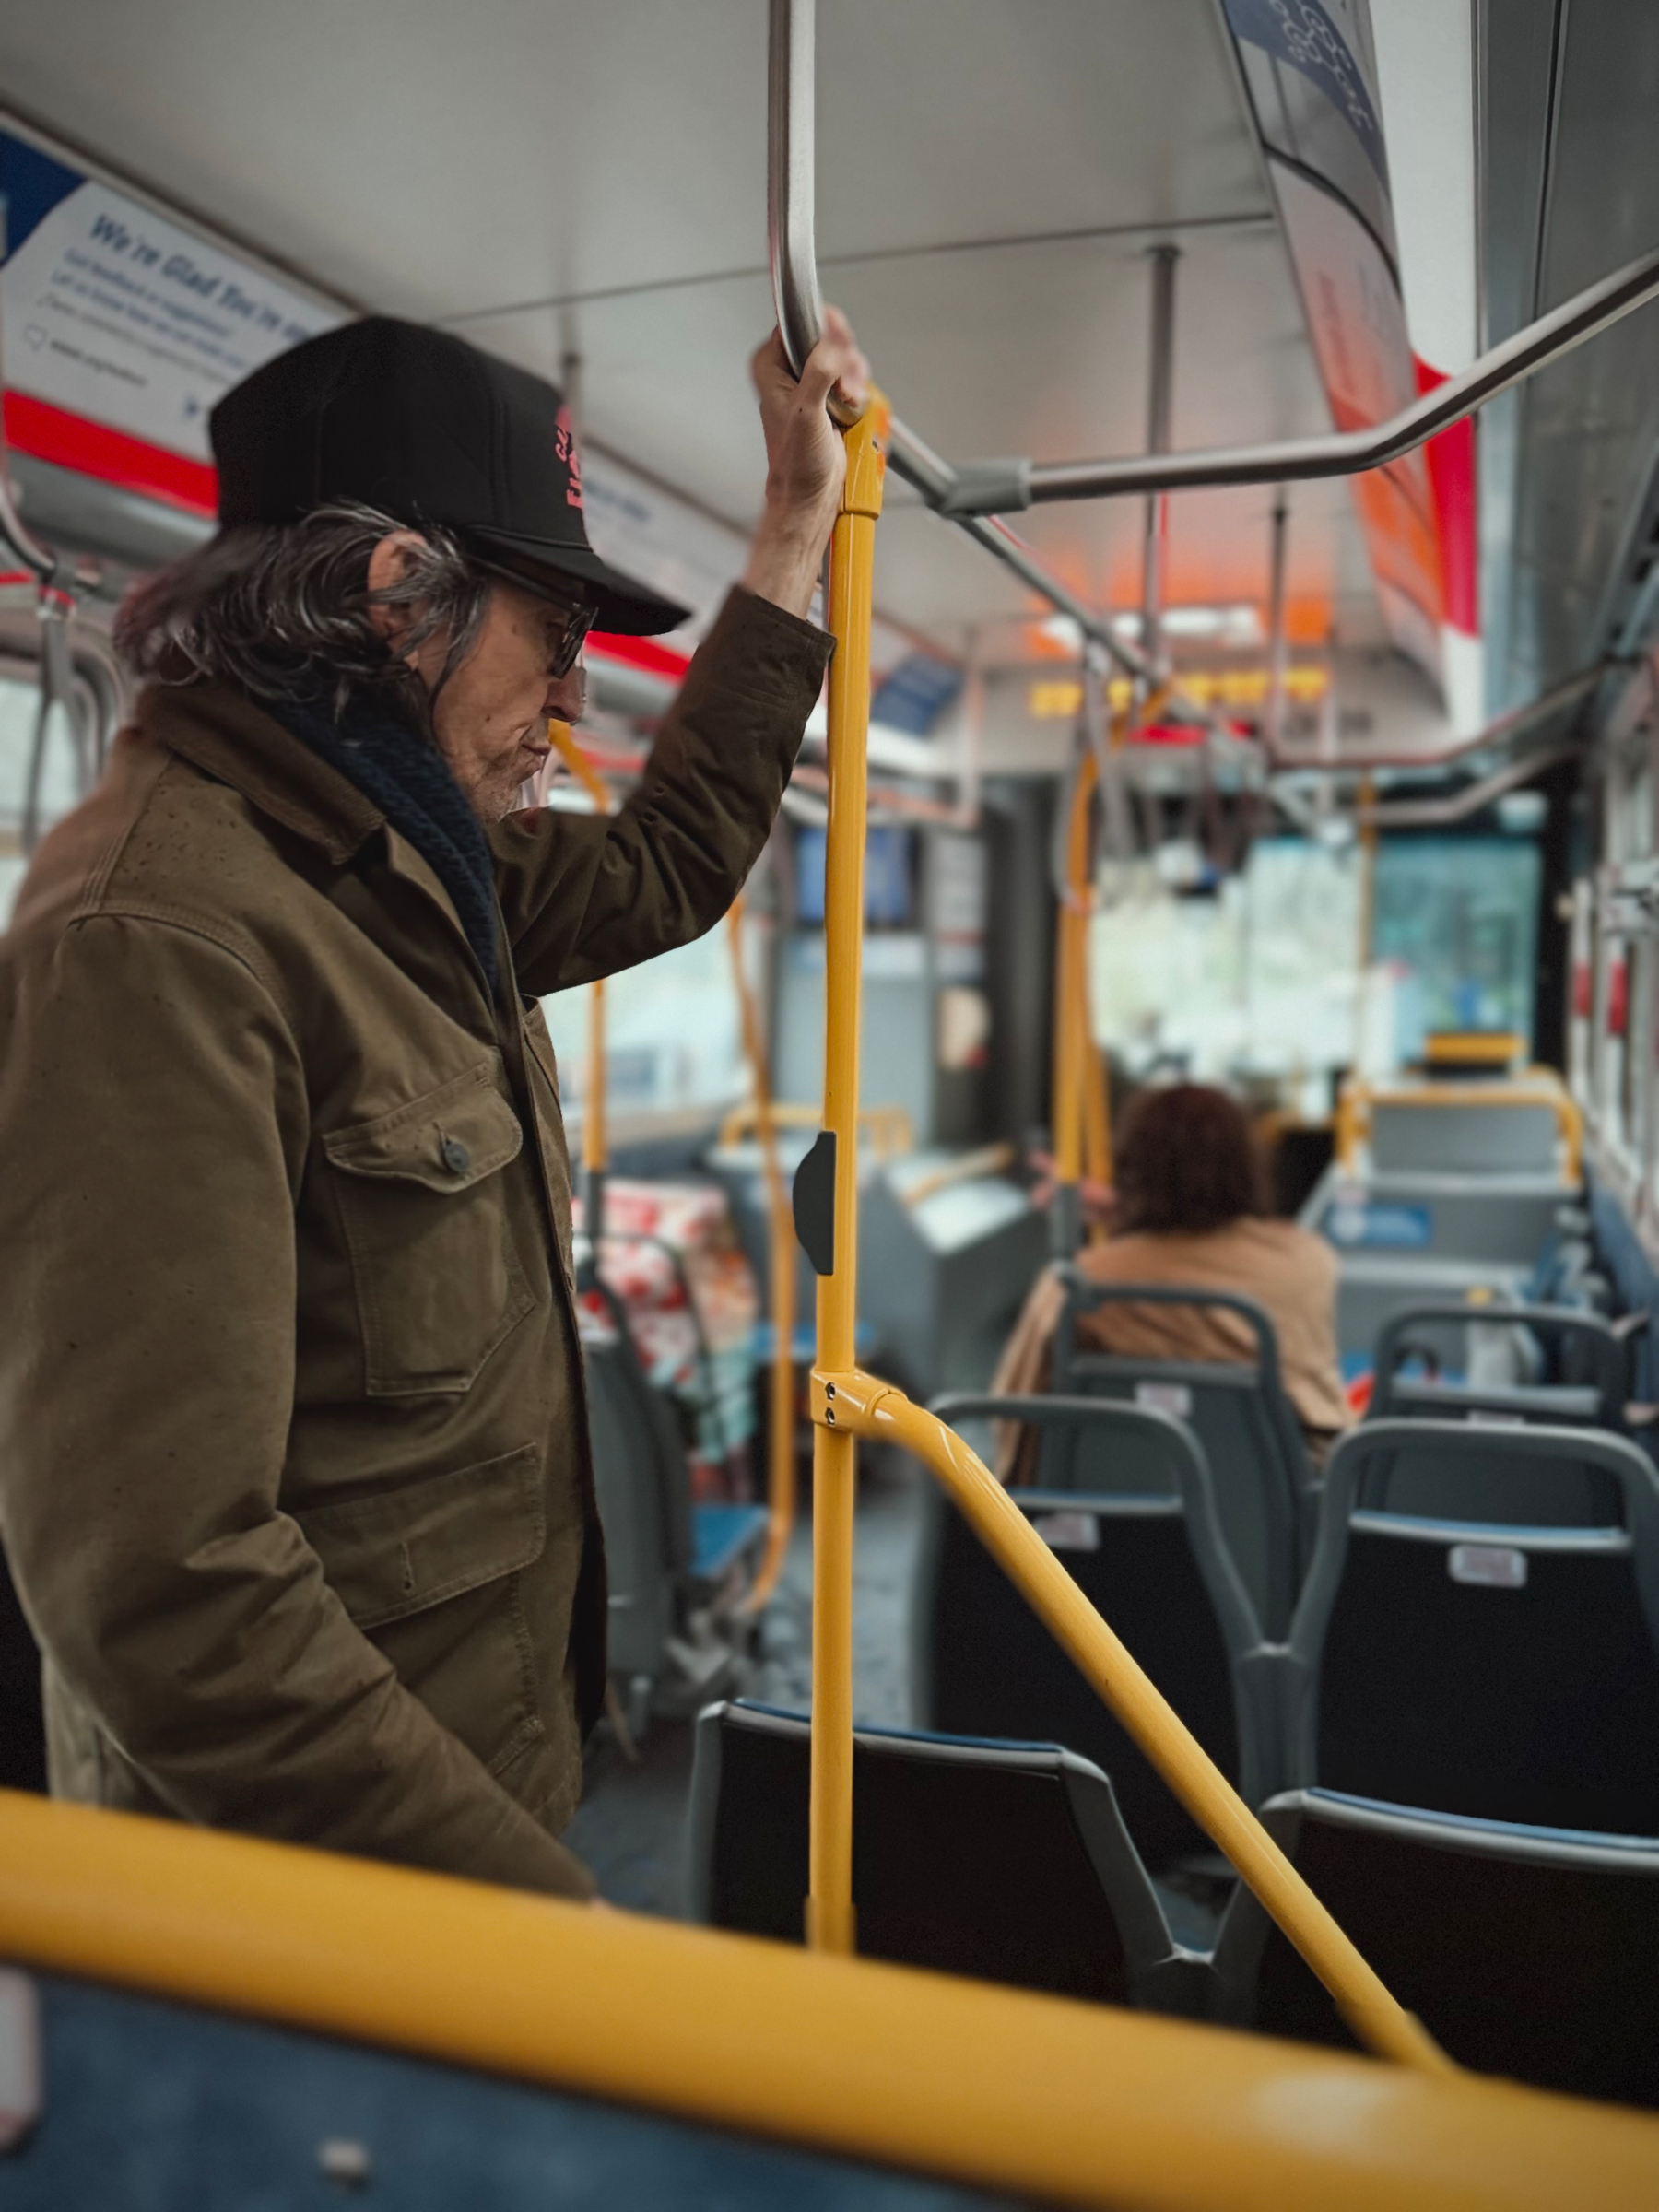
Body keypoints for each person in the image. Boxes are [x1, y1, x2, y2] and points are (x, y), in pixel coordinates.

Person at [0, 305, 867, 1899]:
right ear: (397, 598)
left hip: (468, 1781)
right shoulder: (163, 941)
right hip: (312, 1902)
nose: (572, 701)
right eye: (556, 640)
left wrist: (797, 523)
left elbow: (664, 866)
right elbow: (163, 1585)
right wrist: (528, 1913)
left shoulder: (400, 862)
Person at [993, 1083, 1351, 1471]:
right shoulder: (1309, 1264)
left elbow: (1016, 1415)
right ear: (1248, 1164)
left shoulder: (1080, 1286)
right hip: (1278, 1510)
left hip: (1114, 1502)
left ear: (1131, 1168)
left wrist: (1126, 1208)